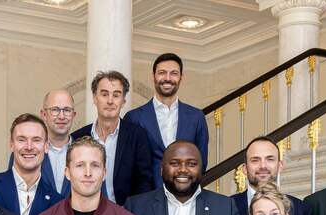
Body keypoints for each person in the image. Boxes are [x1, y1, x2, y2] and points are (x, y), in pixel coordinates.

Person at [70, 71, 155, 206]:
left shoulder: (137, 136)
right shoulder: (77, 137)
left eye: (116, 95)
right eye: (104, 94)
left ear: (123, 100)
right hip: (84, 213)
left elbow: (144, 181)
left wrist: (133, 214)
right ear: (94, 98)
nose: (110, 101)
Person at [124, 53, 210, 182]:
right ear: (153, 76)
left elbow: (200, 162)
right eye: (162, 72)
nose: (167, 78)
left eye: (174, 73)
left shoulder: (196, 117)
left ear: (181, 77)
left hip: (184, 193)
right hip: (146, 196)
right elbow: (128, 164)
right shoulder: (134, 117)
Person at [0, 113, 64, 215]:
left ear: (46, 146)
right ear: (11, 145)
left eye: (36, 140)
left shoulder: (57, 202)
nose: (29, 147)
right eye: (21, 140)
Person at [233, 137, 308, 215]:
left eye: (270, 159)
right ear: (244, 168)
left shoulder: (301, 208)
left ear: (280, 166)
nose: (263, 166)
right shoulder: (228, 207)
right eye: (255, 160)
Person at [39, 89, 77, 194]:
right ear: (44, 115)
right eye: (55, 109)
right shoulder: (28, 152)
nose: (61, 116)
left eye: (67, 110)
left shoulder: (86, 153)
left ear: (73, 115)